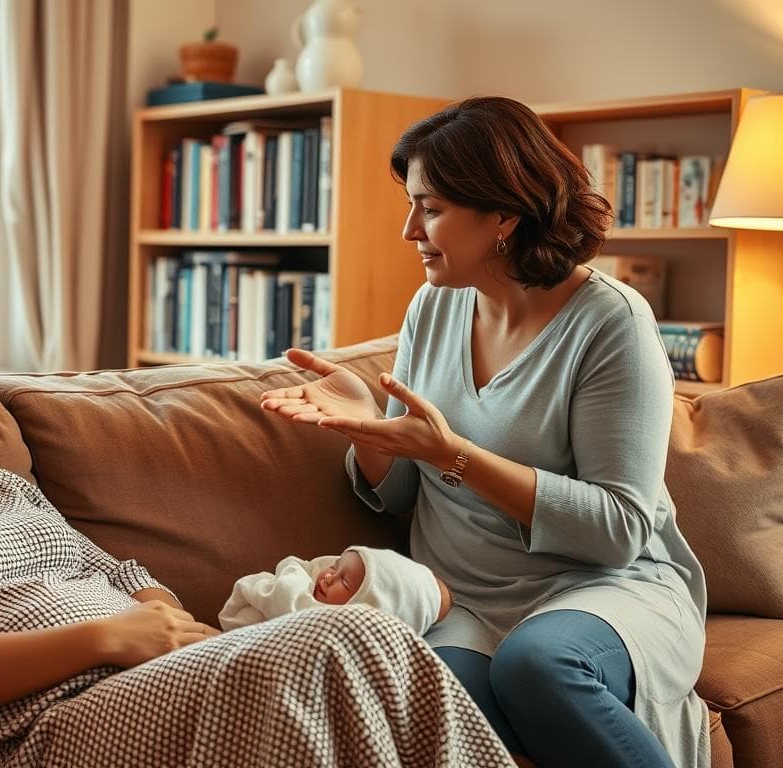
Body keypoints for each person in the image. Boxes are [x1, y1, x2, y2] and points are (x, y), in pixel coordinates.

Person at [0, 287, 515, 768]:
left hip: (152, 683)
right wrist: (111, 640)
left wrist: (171, 628)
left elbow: (116, 576)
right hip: (47, 736)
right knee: (334, 643)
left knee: (372, 643)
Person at [261, 96, 709, 768]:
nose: (409, 229)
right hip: (464, 597)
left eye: (432, 207)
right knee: (423, 710)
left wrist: (457, 456)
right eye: (411, 204)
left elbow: (619, 528)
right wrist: (370, 431)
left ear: (504, 213)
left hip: (603, 591)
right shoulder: (433, 306)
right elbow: (404, 493)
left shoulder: (610, 322)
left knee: (537, 665)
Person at [218, 546, 453, 634]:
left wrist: (291, 575)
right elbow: (260, 590)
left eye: (346, 582)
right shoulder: (308, 585)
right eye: (335, 566)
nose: (329, 577)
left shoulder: (330, 626)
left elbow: (288, 599)